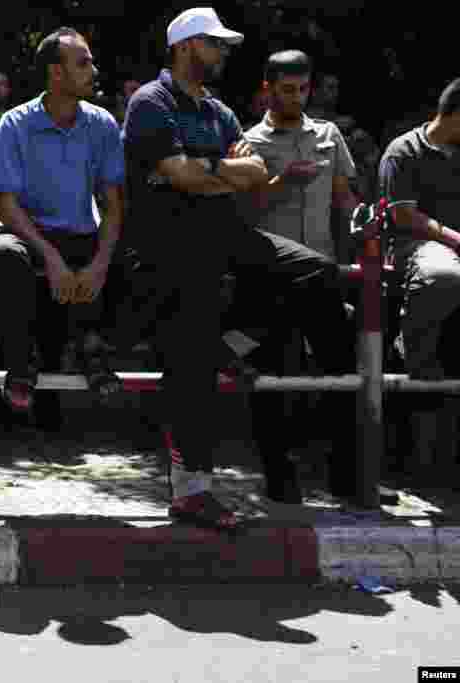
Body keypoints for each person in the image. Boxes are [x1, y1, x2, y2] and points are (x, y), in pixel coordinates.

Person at [122, 8, 357, 523]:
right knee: (191, 361)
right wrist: (219, 172)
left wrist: (208, 172)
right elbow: (182, 174)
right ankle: (192, 490)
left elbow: (247, 173)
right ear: (187, 47)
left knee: (315, 273)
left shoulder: (220, 111)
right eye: (215, 45)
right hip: (170, 248)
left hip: (225, 234)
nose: (224, 53)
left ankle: (232, 344)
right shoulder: (151, 102)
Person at [0, 27, 124, 417]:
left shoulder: (102, 124)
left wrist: (99, 265)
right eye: (83, 63)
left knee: (125, 254)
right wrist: (49, 256)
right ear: (56, 73)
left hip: (79, 234)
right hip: (26, 233)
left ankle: (93, 349)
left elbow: (113, 205)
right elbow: (7, 206)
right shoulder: (15, 123)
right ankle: (21, 359)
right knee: (5, 253)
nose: (93, 70)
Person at [244, 50, 359, 263]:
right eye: (288, 90)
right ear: (268, 89)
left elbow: (344, 198)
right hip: (274, 268)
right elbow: (244, 212)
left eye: (303, 89)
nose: (297, 97)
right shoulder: (249, 143)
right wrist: (284, 181)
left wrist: (365, 224)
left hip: (323, 263)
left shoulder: (329, 133)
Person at [381, 78, 460, 382]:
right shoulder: (403, 151)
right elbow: (404, 217)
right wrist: (455, 239)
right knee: (441, 274)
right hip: (414, 245)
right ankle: (414, 352)